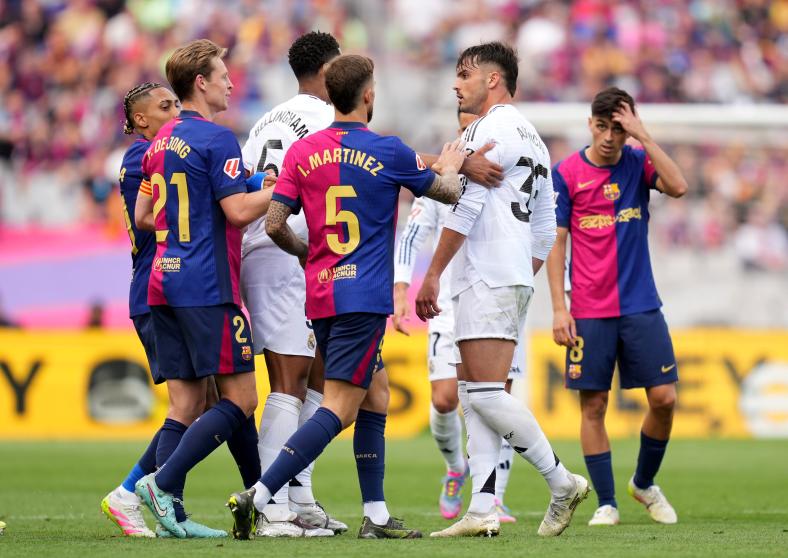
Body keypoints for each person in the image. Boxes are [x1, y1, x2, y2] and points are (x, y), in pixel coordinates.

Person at [226, 53, 470, 540]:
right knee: (339, 407)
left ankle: (376, 516)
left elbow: (273, 224)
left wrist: (306, 253)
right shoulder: (388, 149)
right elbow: (448, 193)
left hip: (321, 294)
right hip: (364, 296)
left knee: (376, 395)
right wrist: (452, 166)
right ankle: (261, 495)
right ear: (368, 95)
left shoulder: (303, 152)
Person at [415, 42, 589, 538]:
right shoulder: (533, 138)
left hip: (486, 274)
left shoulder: (488, 129)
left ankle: (561, 481)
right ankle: (482, 508)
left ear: (493, 79)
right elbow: (546, 226)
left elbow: (465, 205)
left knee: (487, 394)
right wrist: (518, 271)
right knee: (473, 395)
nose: (456, 84)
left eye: (464, 74)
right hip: (504, 274)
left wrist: (432, 273)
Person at [132, 39, 274, 539]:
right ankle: (162, 482)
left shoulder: (159, 142)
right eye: (223, 76)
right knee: (242, 399)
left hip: (163, 280)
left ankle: (171, 513)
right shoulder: (217, 139)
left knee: (186, 405)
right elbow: (237, 213)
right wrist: (283, 189)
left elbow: (143, 216)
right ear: (201, 83)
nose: (231, 84)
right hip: (207, 285)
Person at [545, 86, 688, 527]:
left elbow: (679, 186)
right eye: (603, 126)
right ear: (590, 124)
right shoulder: (566, 173)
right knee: (593, 406)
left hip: (641, 303)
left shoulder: (638, 162)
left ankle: (644, 483)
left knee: (664, 398)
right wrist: (559, 308)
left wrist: (643, 135)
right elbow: (556, 243)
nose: (609, 137)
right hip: (589, 309)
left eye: (619, 129)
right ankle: (606, 502)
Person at [392, 109, 522, 523]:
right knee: (445, 399)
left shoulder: (508, 174)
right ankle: (455, 468)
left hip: (495, 296)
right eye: (464, 127)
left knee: (497, 399)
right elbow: (412, 233)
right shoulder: (443, 176)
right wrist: (401, 287)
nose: (470, 133)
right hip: (448, 304)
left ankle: (494, 496)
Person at [238, 31, 343, 537]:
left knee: (316, 374)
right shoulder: (325, 118)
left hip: (273, 251)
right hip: (284, 251)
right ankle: (270, 505)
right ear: (327, 70)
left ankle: (299, 495)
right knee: (290, 380)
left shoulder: (265, 121)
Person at [101, 82, 181, 538]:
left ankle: (164, 503)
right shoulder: (142, 158)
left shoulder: (160, 153)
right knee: (192, 403)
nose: (176, 112)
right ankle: (131, 493)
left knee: (211, 401)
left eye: (176, 103)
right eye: (166, 106)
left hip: (171, 287)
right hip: (155, 290)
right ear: (141, 120)